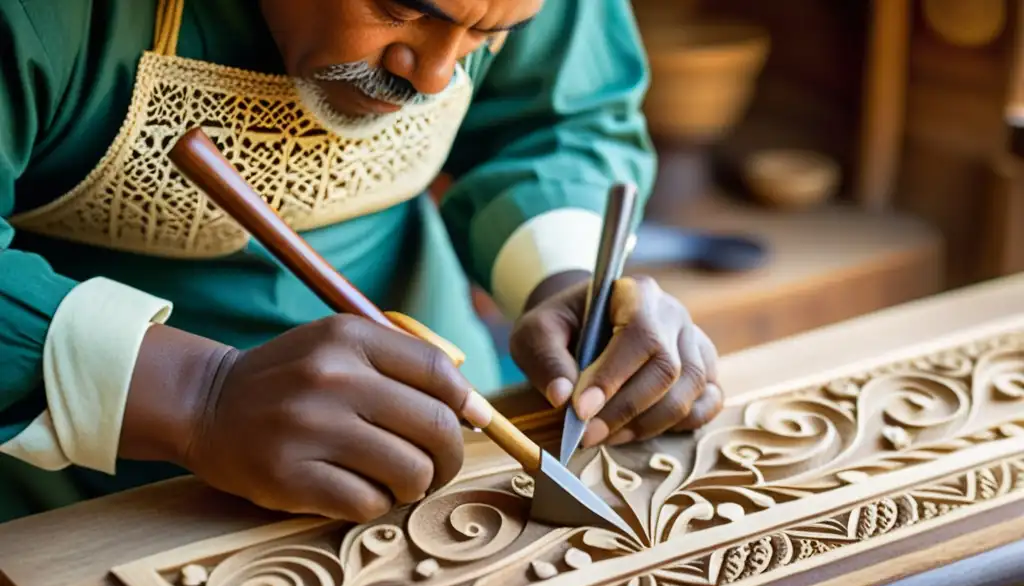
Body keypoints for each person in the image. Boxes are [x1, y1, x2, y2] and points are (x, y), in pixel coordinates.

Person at [0, 0, 724, 525]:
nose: (437, 76)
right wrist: (198, 397)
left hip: (444, 430)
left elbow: (560, 120)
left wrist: (569, 279)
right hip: (86, 482)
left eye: (486, 33)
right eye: (402, 11)